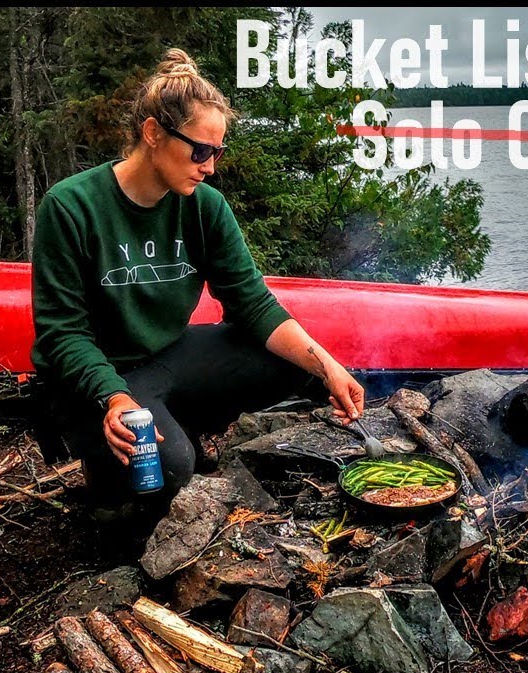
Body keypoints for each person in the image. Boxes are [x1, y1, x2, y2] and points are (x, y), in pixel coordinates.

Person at [30, 48, 366, 526]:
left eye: (218, 152)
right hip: (92, 384)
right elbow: (61, 333)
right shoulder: (70, 207)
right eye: (200, 150)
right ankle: (109, 474)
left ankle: (174, 425)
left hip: (163, 360)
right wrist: (114, 397)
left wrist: (330, 366)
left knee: (300, 367)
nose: (210, 166)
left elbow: (252, 304)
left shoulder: (205, 206)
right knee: (169, 471)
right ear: (153, 134)